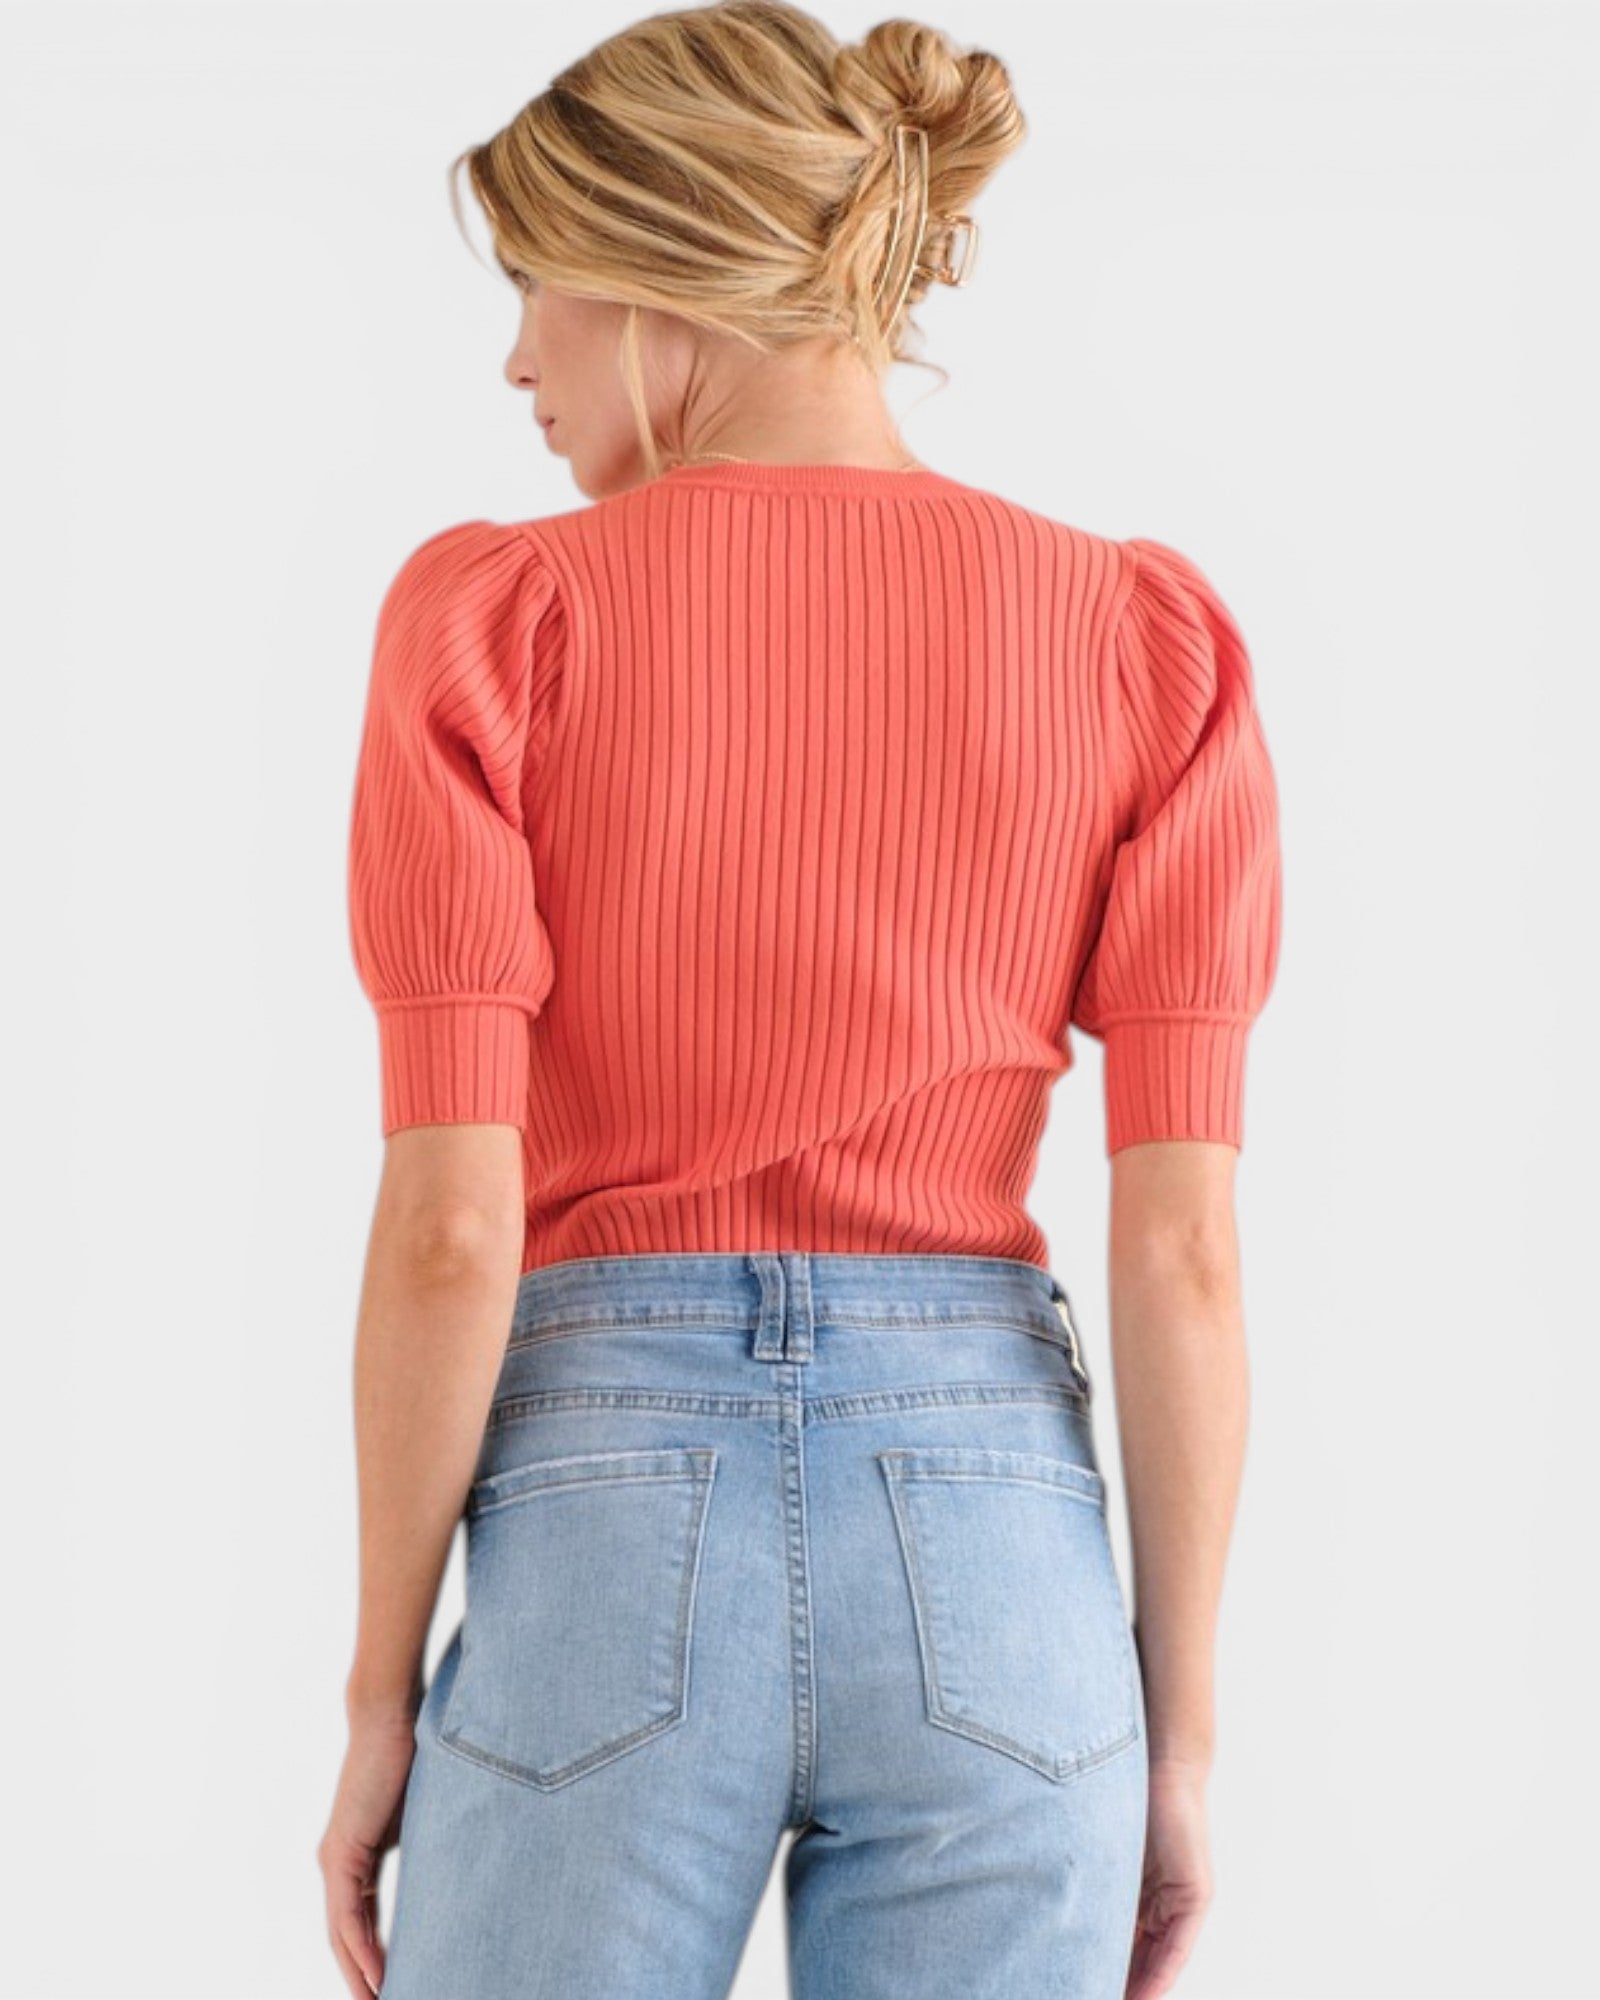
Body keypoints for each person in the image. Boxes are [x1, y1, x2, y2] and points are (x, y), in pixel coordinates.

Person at [315, 4, 1283, 1997]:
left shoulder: (500, 620)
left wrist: (376, 1699)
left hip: (602, 1502)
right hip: (994, 1529)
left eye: (533, 288)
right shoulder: (1140, 639)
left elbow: (447, 1230)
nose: (514, 359)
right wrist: (1175, 1735)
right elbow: (1180, 1250)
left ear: (664, 262)